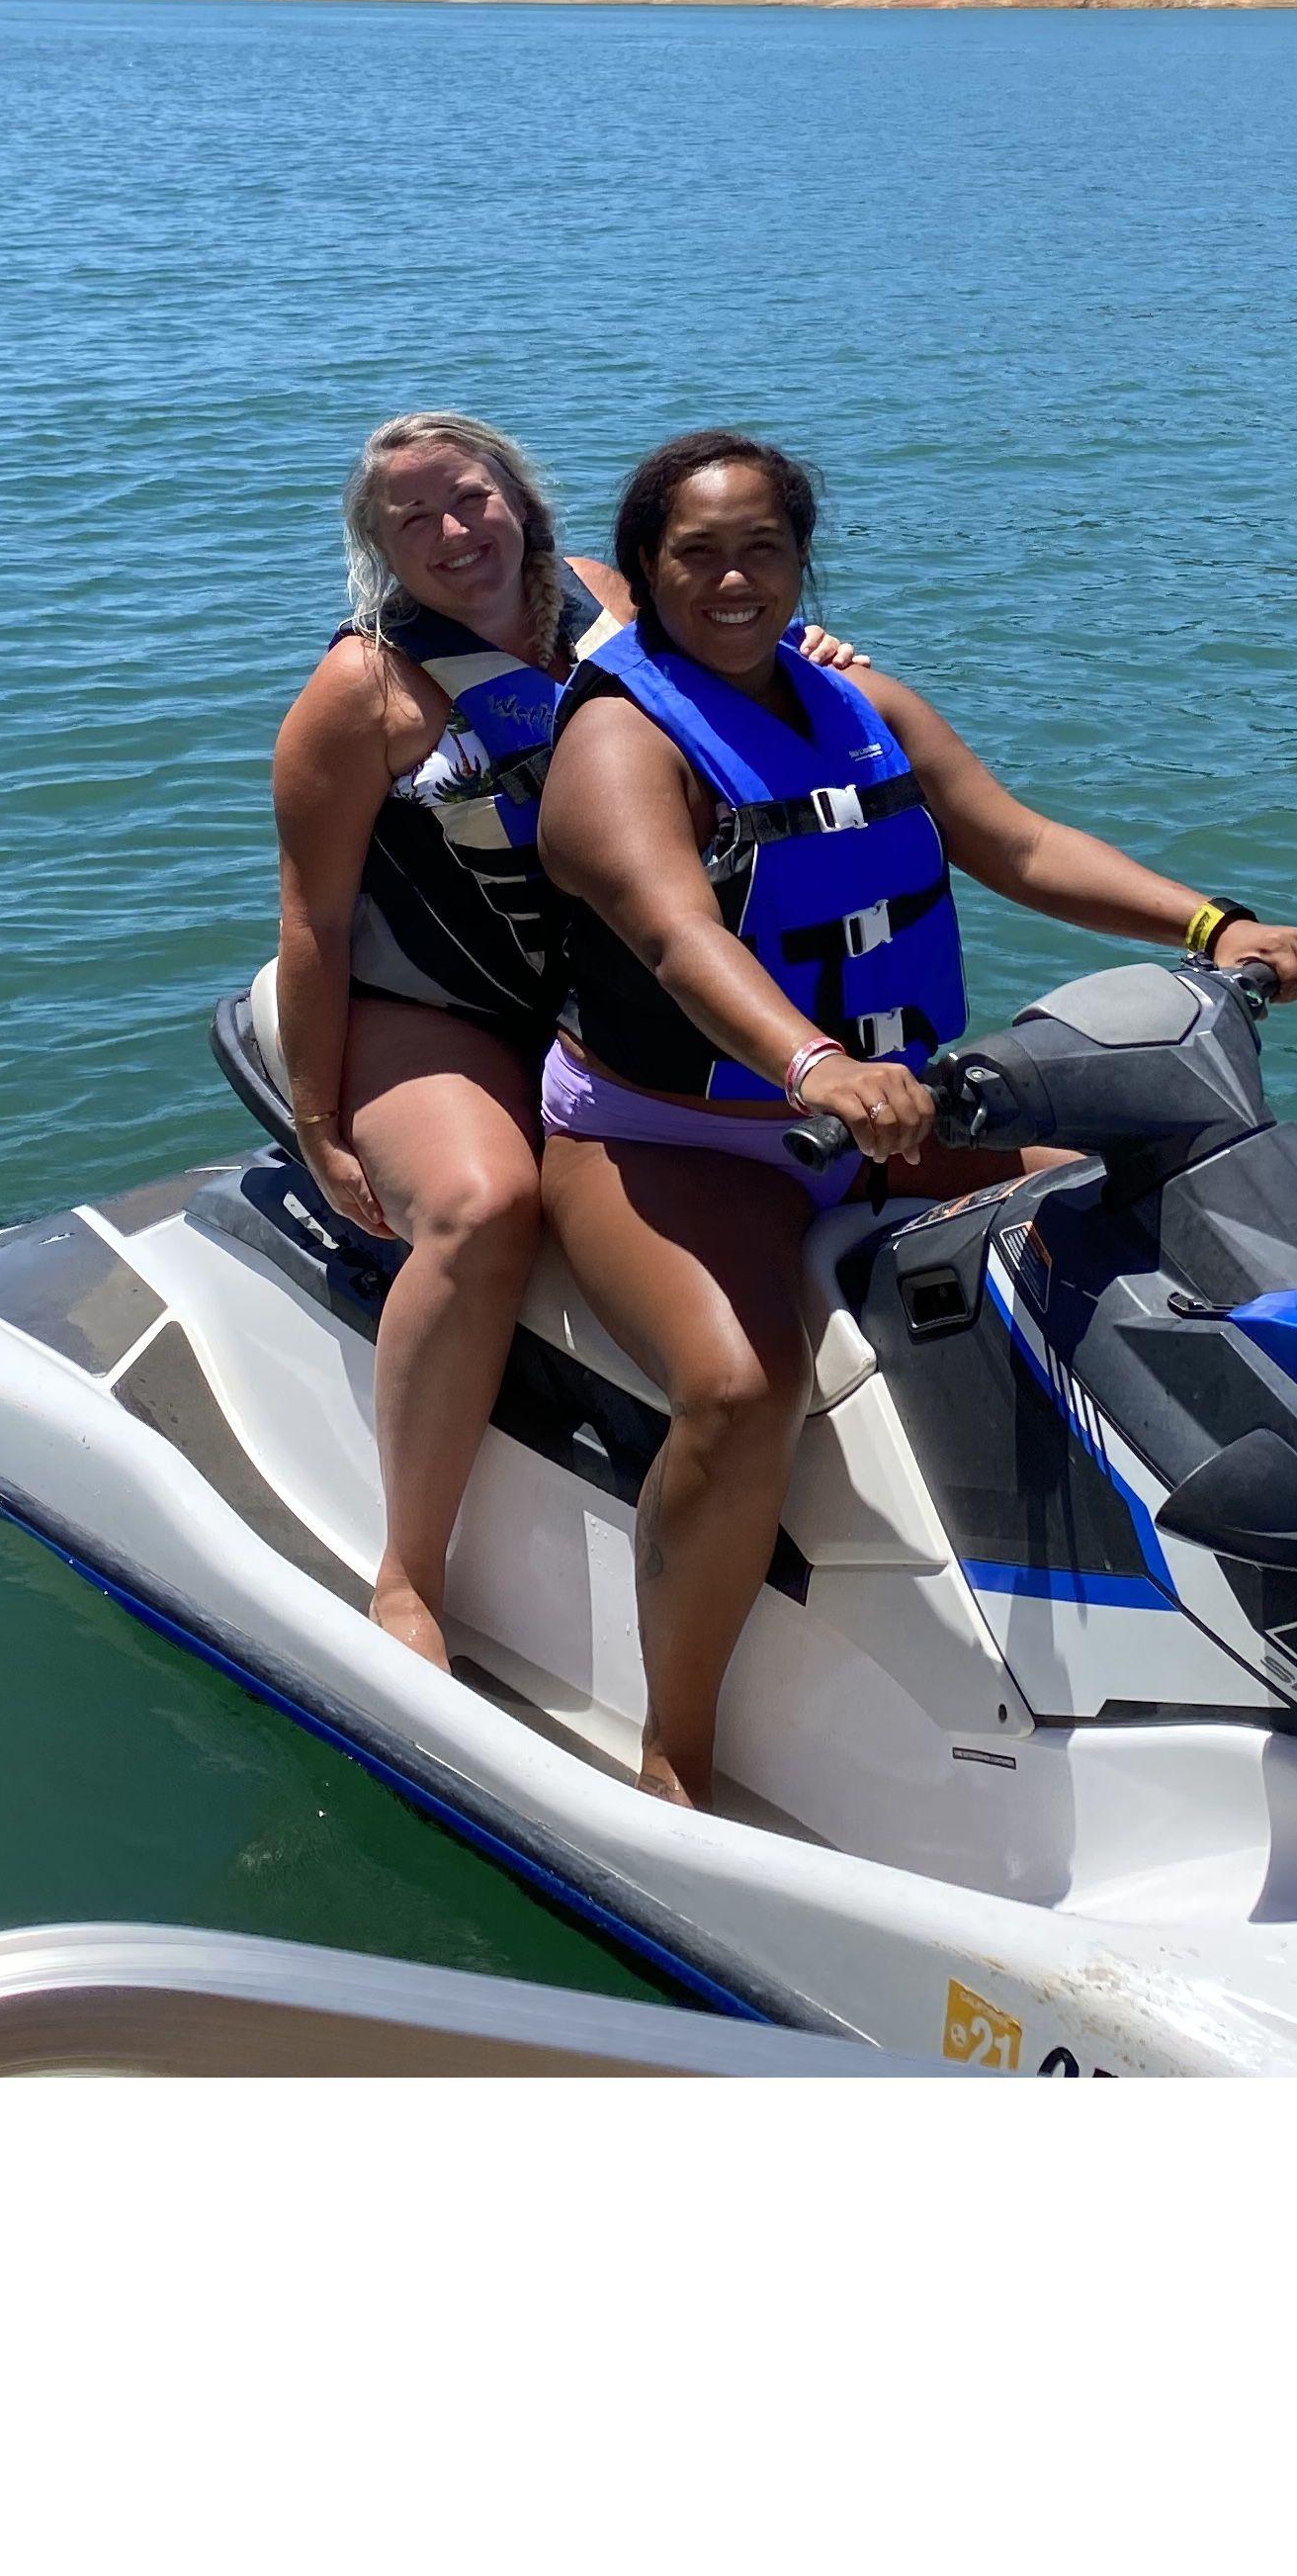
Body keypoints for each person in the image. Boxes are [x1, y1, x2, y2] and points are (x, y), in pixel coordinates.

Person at [533, 429, 1297, 1809]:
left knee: (1144, 1193)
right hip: (669, 1133)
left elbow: (1015, 842)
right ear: (649, 570)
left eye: (762, 549)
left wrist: (1216, 921)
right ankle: (675, 1741)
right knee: (737, 1391)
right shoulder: (617, 740)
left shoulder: (863, 704)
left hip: (885, 1112)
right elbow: (673, 936)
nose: (733, 580)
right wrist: (812, 1061)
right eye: (697, 554)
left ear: (801, 559)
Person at [268, 411, 864, 1671]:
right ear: (376, 546)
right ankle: (408, 1575)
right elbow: (315, 923)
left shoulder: (606, 605)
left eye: (470, 499)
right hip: (432, 1009)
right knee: (485, 1209)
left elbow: (732, 685)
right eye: (411, 519)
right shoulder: (360, 692)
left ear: (521, 502)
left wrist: (811, 660)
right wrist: (320, 1125)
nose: (451, 533)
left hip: (604, 998)